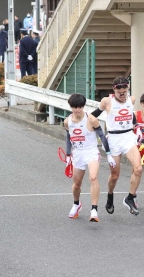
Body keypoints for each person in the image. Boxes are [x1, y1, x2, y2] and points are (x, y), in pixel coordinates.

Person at [90, 77, 143, 215]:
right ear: (114, 89)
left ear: (127, 88)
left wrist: (136, 126)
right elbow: (93, 116)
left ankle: (130, 198)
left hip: (128, 137)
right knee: (115, 175)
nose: (122, 91)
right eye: (119, 89)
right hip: (113, 139)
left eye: (124, 88)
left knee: (138, 169)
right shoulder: (107, 101)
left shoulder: (131, 99)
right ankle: (110, 195)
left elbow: (130, 113)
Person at [64, 93, 115, 222]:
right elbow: (68, 138)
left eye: (80, 107)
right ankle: (76, 204)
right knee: (77, 184)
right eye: (75, 107)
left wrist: (108, 154)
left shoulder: (91, 119)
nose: (77, 110)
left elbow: (102, 136)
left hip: (91, 151)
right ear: (71, 107)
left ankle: (94, 209)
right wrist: (68, 155)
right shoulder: (67, 122)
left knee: (93, 177)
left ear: (83, 106)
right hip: (78, 153)